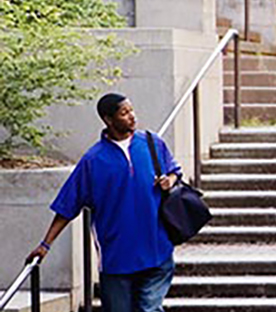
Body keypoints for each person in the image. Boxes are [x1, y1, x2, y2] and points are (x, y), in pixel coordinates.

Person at [26, 93, 180, 312]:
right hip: (117, 256)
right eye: (124, 113)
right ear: (109, 120)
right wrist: (45, 244)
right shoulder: (93, 160)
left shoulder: (152, 143)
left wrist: (169, 181)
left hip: (157, 248)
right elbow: (67, 206)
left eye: (132, 110)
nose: (132, 116)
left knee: (149, 309)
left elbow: (175, 171)